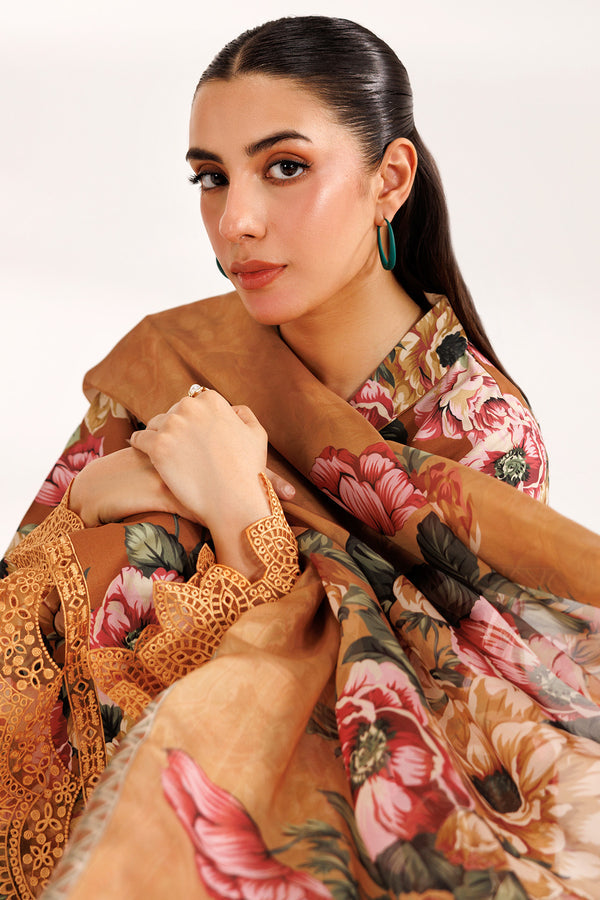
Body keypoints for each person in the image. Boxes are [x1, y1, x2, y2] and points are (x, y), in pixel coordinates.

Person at [2, 15, 600, 900]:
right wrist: (97, 491)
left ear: (389, 179)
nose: (235, 220)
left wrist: (240, 519)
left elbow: (428, 725)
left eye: (285, 167)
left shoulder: (477, 433)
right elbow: (24, 611)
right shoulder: (174, 363)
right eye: (211, 177)